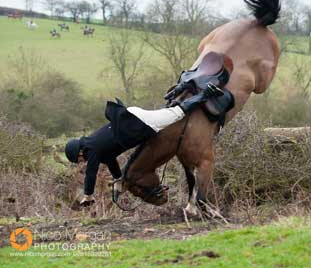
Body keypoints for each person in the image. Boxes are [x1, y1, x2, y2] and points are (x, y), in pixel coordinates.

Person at [64, 83, 223, 207]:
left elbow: (91, 174)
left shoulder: (92, 150)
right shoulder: (96, 146)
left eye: (79, 160)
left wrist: (88, 195)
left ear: (79, 152)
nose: (82, 162)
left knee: (177, 113)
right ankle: (187, 90)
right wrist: (119, 179)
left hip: (138, 123)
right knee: (167, 115)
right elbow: (111, 161)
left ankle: (206, 93)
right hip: (132, 118)